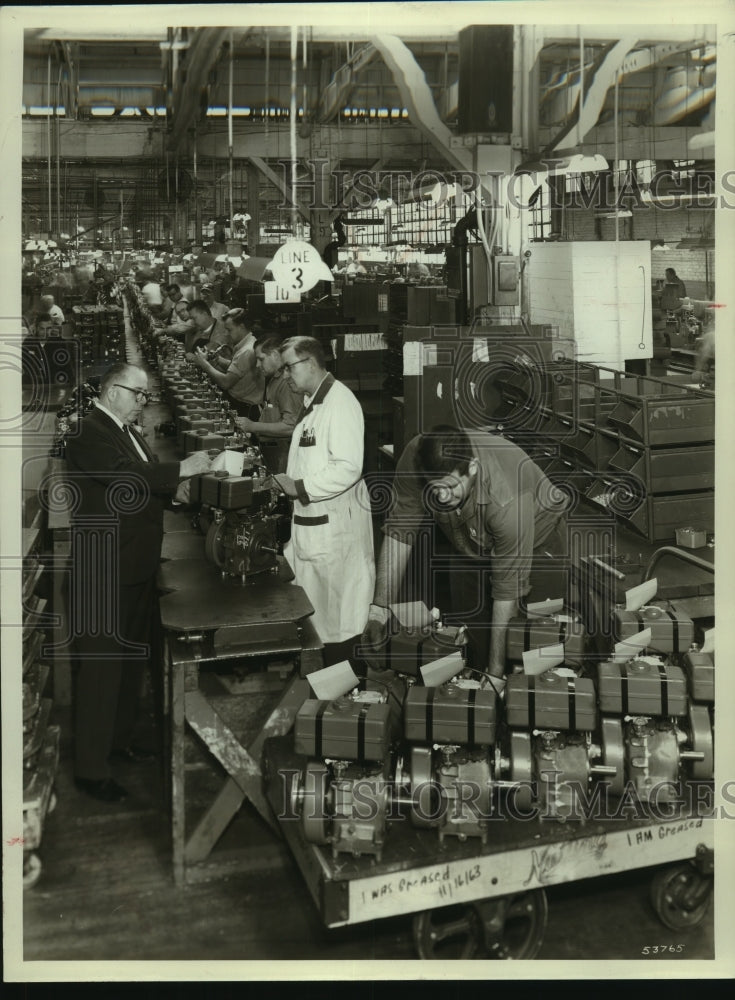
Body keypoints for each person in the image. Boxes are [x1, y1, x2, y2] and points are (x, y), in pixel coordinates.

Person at [64, 362, 212, 802]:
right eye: (138, 394)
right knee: (99, 673)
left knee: (130, 665)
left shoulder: (127, 430)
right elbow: (124, 476)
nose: (142, 402)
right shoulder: (86, 432)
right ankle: (90, 770)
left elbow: (140, 484)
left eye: (145, 396)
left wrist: (177, 491)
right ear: (113, 392)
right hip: (102, 572)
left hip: (134, 567)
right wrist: (181, 470)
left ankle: (119, 741)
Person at [361, 425, 568, 690]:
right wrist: (379, 611)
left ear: (472, 467)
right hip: (470, 541)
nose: (442, 497)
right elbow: (400, 531)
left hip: (537, 542)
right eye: (434, 489)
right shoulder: (417, 457)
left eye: (449, 486)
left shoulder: (506, 497)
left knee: (532, 649)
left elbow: (507, 591)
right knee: (470, 637)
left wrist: (495, 675)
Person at [273, 336, 375, 663]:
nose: (285, 374)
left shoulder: (340, 403)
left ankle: (344, 701)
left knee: (339, 627)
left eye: (289, 367)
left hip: (334, 537)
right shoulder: (313, 401)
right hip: (315, 528)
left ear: (312, 364)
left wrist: (298, 486)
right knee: (321, 623)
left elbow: (349, 468)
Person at [234, 335, 302, 473]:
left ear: (276, 355)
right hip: (272, 450)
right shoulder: (274, 379)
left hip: (282, 453)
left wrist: (252, 426)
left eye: (261, 359)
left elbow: (291, 426)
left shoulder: (286, 383)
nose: (258, 365)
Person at [190, 308, 264, 419]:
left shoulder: (246, 350)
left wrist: (204, 364)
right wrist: (218, 360)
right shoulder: (248, 342)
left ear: (242, 327)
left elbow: (225, 382)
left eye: (229, 330)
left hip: (244, 410)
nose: (226, 333)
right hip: (240, 404)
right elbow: (240, 370)